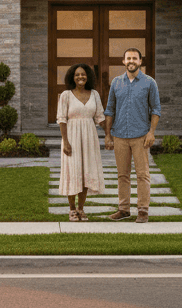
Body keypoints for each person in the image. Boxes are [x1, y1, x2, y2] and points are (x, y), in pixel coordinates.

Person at [103, 48, 161, 223]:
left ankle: (143, 210)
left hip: (141, 136)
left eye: (134, 58)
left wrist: (151, 132)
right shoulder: (116, 83)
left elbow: (156, 110)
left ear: (140, 61)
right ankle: (124, 209)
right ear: (123, 61)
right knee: (122, 175)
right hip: (119, 135)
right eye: (128, 58)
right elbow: (110, 110)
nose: (131, 61)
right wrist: (107, 135)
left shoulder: (150, 83)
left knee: (142, 174)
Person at [56, 63, 105, 221]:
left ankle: (81, 209)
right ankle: (71, 210)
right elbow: (62, 119)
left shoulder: (95, 94)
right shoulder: (66, 95)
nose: (80, 77)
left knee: (85, 173)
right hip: (71, 137)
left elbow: (100, 117)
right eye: (77, 74)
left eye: (83, 74)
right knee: (73, 172)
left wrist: (111, 133)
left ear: (88, 76)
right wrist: (66, 142)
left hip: (89, 138)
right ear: (72, 77)